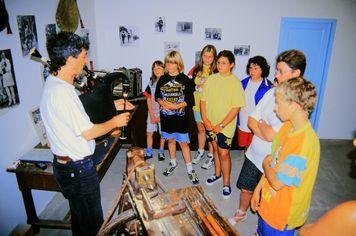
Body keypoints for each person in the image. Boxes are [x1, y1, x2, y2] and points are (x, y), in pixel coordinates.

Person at [40, 32, 132, 235]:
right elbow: (89, 132)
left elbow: (76, 116)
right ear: (70, 59)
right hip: (78, 170)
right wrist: (116, 121)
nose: (86, 60)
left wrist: (112, 105)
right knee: (92, 225)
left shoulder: (54, 85)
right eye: (83, 56)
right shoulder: (63, 93)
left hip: (65, 167)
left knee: (80, 218)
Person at [229, 49, 307, 225]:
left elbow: (272, 135)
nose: (276, 76)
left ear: (296, 73)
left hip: (272, 161)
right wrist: (264, 127)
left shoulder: (295, 105)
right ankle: (241, 212)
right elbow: (251, 120)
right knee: (246, 189)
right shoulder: (271, 93)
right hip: (254, 154)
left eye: (281, 71)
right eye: (277, 71)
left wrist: (262, 126)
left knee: (266, 199)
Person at [251, 77, 319, 236]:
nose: (275, 108)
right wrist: (258, 188)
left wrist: (265, 164)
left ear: (294, 106)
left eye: (278, 103)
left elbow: (276, 181)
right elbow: (272, 161)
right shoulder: (286, 127)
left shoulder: (304, 144)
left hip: (282, 216)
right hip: (268, 205)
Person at [201, 50, 245, 199]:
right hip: (210, 124)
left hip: (226, 126)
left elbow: (236, 107)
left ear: (231, 64)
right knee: (215, 149)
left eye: (224, 63)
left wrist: (221, 125)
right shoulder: (211, 79)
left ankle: (226, 183)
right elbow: (203, 101)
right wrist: (206, 120)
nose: (220, 66)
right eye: (219, 62)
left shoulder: (235, 82)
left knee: (224, 153)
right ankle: (217, 174)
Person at [155, 50, 199, 184]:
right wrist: (163, 103)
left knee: (183, 143)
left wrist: (175, 106)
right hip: (166, 117)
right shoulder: (162, 79)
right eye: (167, 62)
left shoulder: (186, 80)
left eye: (172, 62)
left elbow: (190, 100)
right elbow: (157, 96)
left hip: (180, 118)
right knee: (170, 141)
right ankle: (173, 163)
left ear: (178, 64)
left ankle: (190, 169)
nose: (169, 65)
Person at [188, 45, 217, 170]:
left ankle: (211, 155)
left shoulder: (216, 71)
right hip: (197, 106)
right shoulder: (195, 70)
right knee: (201, 129)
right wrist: (195, 87)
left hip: (210, 107)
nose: (207, 58)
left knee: (210, 132)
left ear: (214, 58)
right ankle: (200, 151)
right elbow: (189, 85)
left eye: (210, 56)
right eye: (205, 55)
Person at [237, 56, 272, 150]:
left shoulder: (268, 87)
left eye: (255, 68)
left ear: (262, 70)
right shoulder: (243, 83)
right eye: (250, 68)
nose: (252, 71)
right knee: (245, 146)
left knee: (255, 146)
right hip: (243, 119)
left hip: (257, 122)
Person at [143, 60, 166, 161]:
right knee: (149, 133)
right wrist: (152, 115)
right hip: (152, 112)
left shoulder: (167, 83)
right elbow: (148, 99)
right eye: (154, 68)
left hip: (163, 112)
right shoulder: (151, 82)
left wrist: (160, 115)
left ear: (164, 69)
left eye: (159, 68)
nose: (156, 70)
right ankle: (149, 152)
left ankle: (161, 151)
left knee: (163, 133)